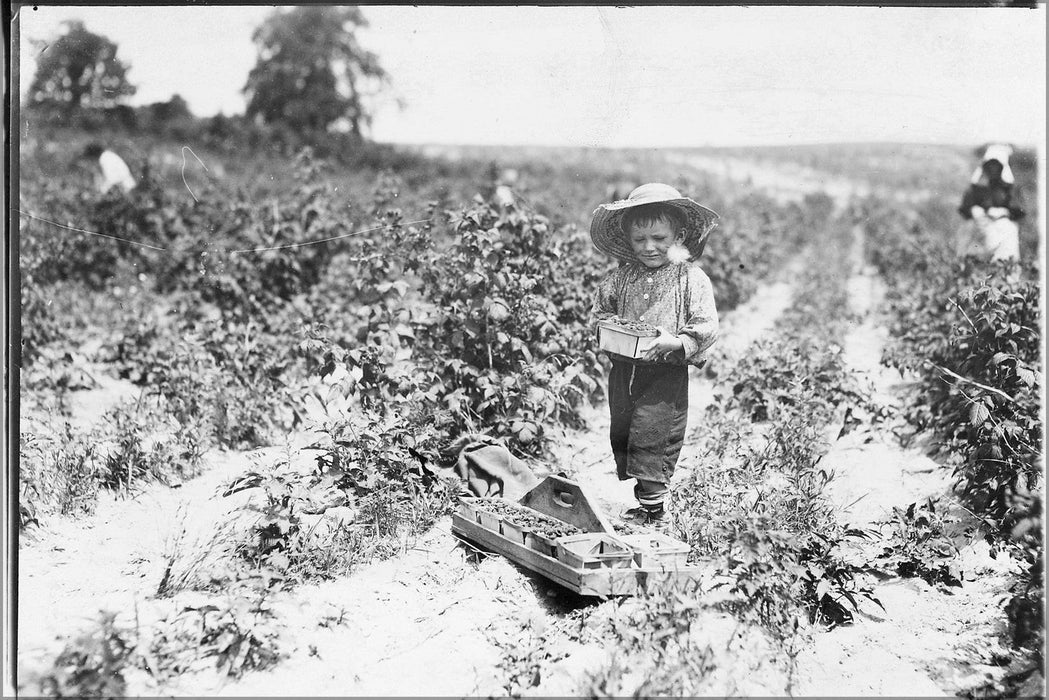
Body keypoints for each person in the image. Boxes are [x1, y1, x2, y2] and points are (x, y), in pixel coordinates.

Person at [589, 183, 720, 525]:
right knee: (625, 432)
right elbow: (600, 314)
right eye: (640, 240)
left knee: (654, 434)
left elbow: (706, 324)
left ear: (679, 236)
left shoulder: (690, 278)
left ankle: (653, 510)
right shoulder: (620, 278)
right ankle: (645, 500)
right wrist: (609, 330)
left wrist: (676, 343)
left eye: (660, 239)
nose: (650, 247)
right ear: (628, 239)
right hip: (623, 370)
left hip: (665, 372)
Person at [958, 144, 1024, 260]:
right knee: (968, 233)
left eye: (996, 165)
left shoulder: (1010, 187)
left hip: (1002, 225)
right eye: (990, 165)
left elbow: (1018, 210)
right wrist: (973, 209)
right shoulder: (977, 185)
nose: (993, 169)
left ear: (1002, 166)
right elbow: (965, 207)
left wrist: (1004, 211)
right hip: (980, 225)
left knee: (1008, 233)